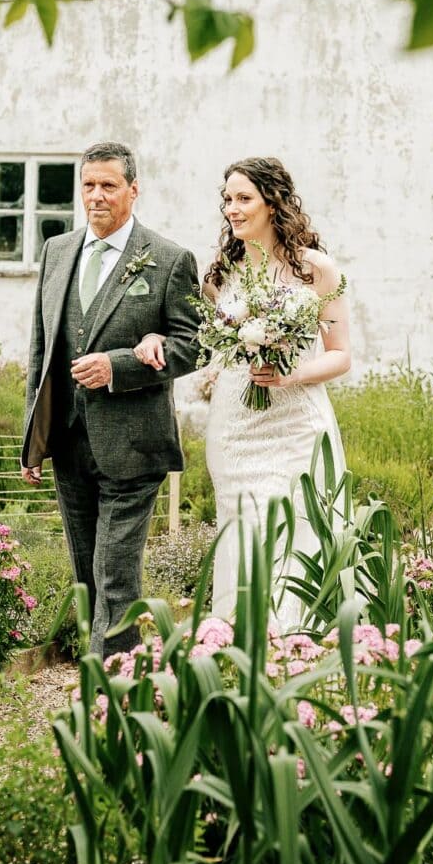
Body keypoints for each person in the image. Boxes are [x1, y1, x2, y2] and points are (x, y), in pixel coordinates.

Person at [133, 157, 350, 621]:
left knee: (298, 532)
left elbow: (341, 354)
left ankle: (297, 645)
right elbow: (194, 338)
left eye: (243, 198)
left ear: (273, 203)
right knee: (242, 532)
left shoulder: (317, 271)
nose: (232, 209)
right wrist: (155, 338)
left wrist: (289, 374)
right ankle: (240, 644)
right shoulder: (219, 276)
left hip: (295, 425)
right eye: (227, 199)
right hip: (235, 424)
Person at [21, 141, 201, 656]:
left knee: (117, 575)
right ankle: (107, 673)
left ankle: (112, 692)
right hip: (69, 440)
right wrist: (31, 438)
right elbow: (42, 348)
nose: (96, 196)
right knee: (88, 576)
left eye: (109, 185)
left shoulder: (168, 260)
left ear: (133, 190)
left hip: (133, 442)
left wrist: (119, 366)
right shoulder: (57, 251)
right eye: (88, 185)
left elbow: (194, 345)